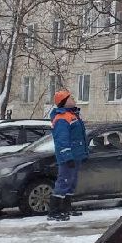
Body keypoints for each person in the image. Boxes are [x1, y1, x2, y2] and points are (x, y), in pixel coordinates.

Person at [48, 89, 88, 221]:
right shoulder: (62, 118)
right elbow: (62, 141)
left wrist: (83, 154)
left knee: (71, 182)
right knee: (63, 182)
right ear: (64, 102)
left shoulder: (72, 115)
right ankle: (54, 211)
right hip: (68, 158)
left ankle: (66, 208)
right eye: (70, 98)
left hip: (75, 156)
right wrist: (67, 157)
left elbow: (79, 137)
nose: (73, 99)